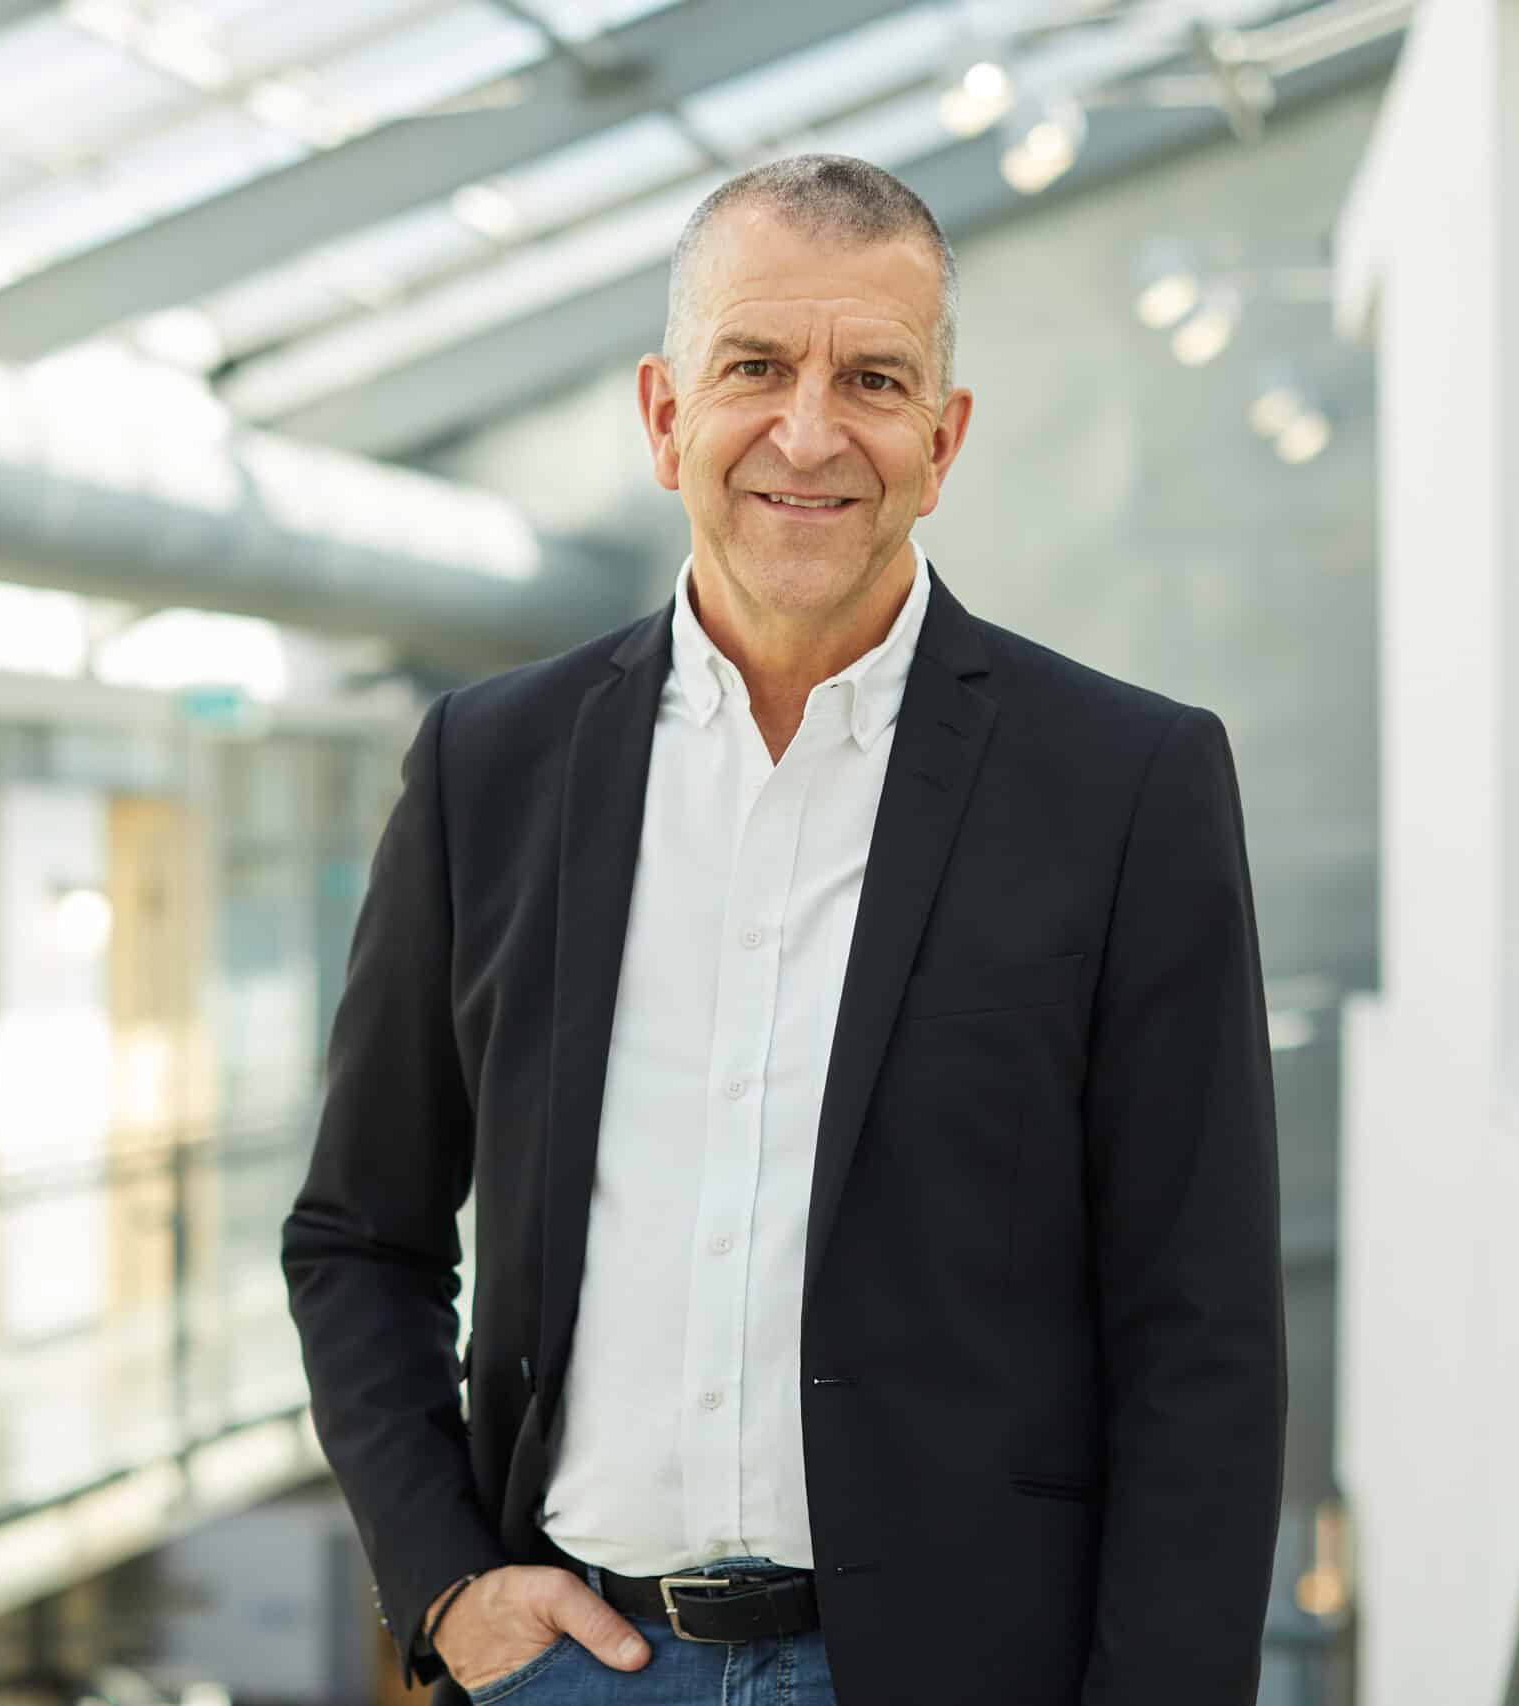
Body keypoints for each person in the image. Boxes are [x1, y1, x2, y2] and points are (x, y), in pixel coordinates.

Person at [281, 154, 1284, 1706]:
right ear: (665, 413)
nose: (808, 433)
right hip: (577, 1669)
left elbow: (1198, 1333)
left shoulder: (1127, 786)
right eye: (756, 367)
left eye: (872, 379)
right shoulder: (488, 768)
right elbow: (360, 1235)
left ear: (942, 442)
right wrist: (448, 1583)